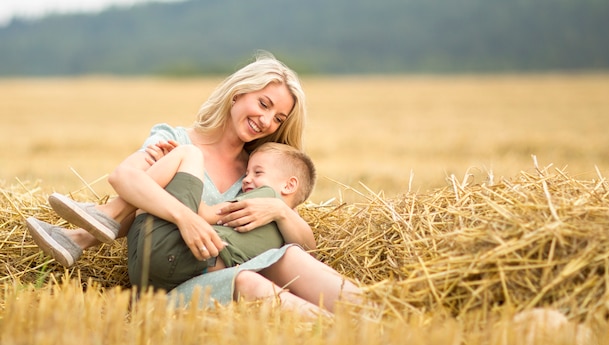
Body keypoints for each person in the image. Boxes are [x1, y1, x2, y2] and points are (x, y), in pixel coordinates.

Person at [26, 51, 361, 314]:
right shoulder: (175, 141)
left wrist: (279, 209)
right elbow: (124, 178)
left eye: (278, 118)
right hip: (167, 271)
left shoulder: (259, 173)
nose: (266, 121)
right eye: (263, 104)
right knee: (185, 162)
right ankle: (92, 228)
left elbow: (304, 247)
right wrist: (185, 218)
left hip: (217, 270)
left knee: (283, 262)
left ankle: (374, 320)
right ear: (237, 94)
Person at [127, 141, 316, 293]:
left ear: (289, 185)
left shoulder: (268, 195)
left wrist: (178, 172)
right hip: (166, 271)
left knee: (188, 153)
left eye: (258, 172)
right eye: (247, 173)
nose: (247, 179)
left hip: (166, 257)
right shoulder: (282, 231)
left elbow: (205, 214)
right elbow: (310, 253)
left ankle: (115, 207)